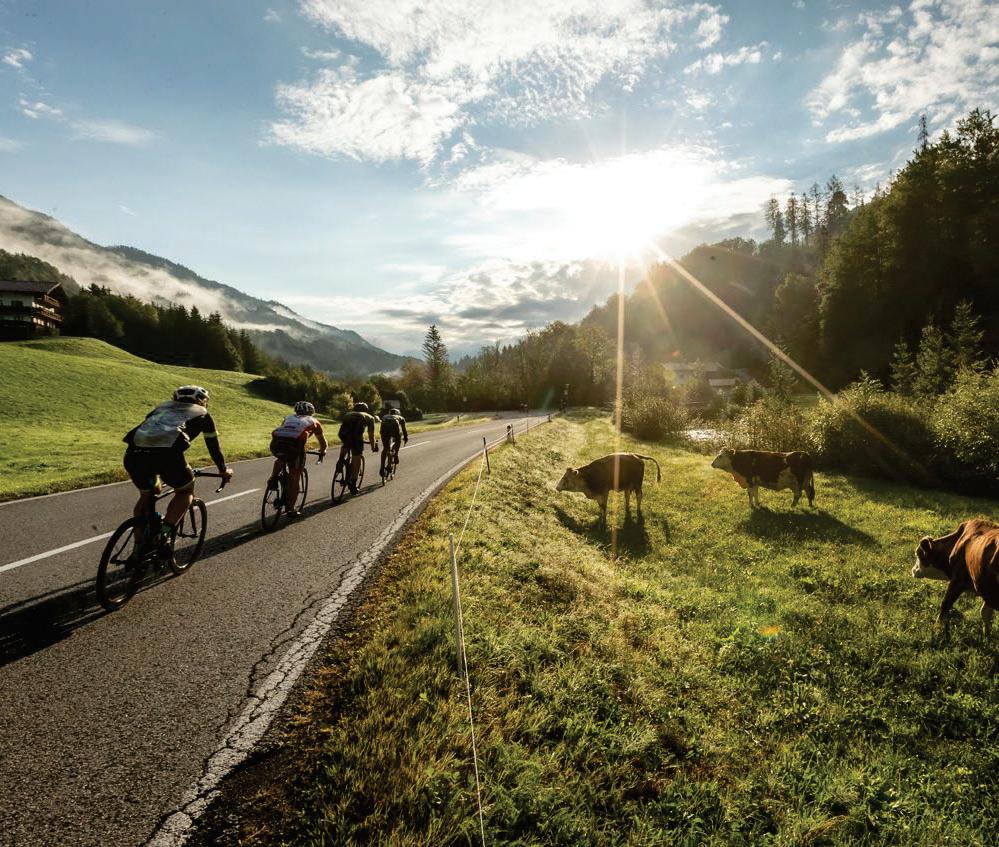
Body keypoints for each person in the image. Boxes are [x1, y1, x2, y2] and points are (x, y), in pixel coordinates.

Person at [123, 385, 233, 556]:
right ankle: (164, 535)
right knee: (185, 491)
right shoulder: (203, 414)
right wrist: (223, 470)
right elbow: (213, 447)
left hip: (134, 456)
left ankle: (138, 549)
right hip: (167, 458)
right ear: (202, 401)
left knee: (148, 494)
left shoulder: (159, 410)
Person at [269, 400, 328, 516]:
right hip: (295, 444)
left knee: (281, 458)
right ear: (311, 412)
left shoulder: (288, 418)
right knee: (295, 477)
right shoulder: (314, 421)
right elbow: (322, 441)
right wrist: (323, 451)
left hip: (276, 442)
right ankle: (291, 509)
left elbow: (286, 431)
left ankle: (273, 478)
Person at [337, 401, 377, 494]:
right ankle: (353, 483)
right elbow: (371, 435)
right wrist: (373, 447)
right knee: (357, 457)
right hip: (356, 436)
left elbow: (344, 428)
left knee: (346, 442)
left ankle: (341, 460)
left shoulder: (348, 414)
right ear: (366, 410)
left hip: (342, 434)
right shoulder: (370, 417)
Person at [379, 407, 409, 477]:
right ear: (398, 413)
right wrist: (405, 438)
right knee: (398, 440)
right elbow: (404, 430)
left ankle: (382, 467)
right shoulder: (400, 417)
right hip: (395, 426)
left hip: (384, 428)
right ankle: (396, 455)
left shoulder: (385, 416)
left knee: (386, 448)